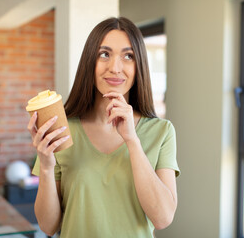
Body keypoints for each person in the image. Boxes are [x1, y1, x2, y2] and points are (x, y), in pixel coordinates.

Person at [27, 17, 180, 238]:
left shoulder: (161, 132)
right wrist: (46, 167)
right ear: (90, 61)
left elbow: (163, 218)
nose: (115, 68)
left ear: (139, 67)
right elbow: (48, 226)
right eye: (104, 54)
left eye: (128, 56)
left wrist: (132, 141)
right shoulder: (63, 130)